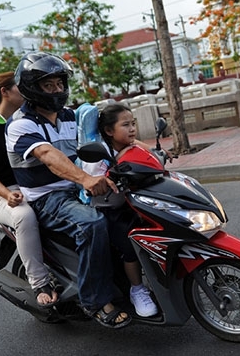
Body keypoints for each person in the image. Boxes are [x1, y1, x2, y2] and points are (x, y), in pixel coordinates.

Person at [5, 52, 131, 329]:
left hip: (77, 189)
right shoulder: (21, 124)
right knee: (93, 223)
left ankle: (135, 285)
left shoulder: (71, 116)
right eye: (48, 85)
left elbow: (113, 133)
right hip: (48, 198)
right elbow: (49, 155)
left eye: (59, 84)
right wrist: (84, 179)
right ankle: (94, 300)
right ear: (31, 87)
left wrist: (149, 154)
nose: (57, 90)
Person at [0, 71, 59, 307]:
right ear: (5, 92)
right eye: (21, 88)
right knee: (24, 215)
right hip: (6, 193)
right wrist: (7, 194)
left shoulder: (32, 119)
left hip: (37, 185)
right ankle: (39, 281)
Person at [81, 103, 159, 318]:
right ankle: (137, 289)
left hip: (134, 202)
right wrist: (106, 177)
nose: (132, 129)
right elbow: (95, 182)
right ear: (109, 131)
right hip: (109, 209)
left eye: (133, 123)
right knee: (129, 242)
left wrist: (159, 154)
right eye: (125, 125)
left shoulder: (128, 144)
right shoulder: (98, 153)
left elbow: (146, 152)